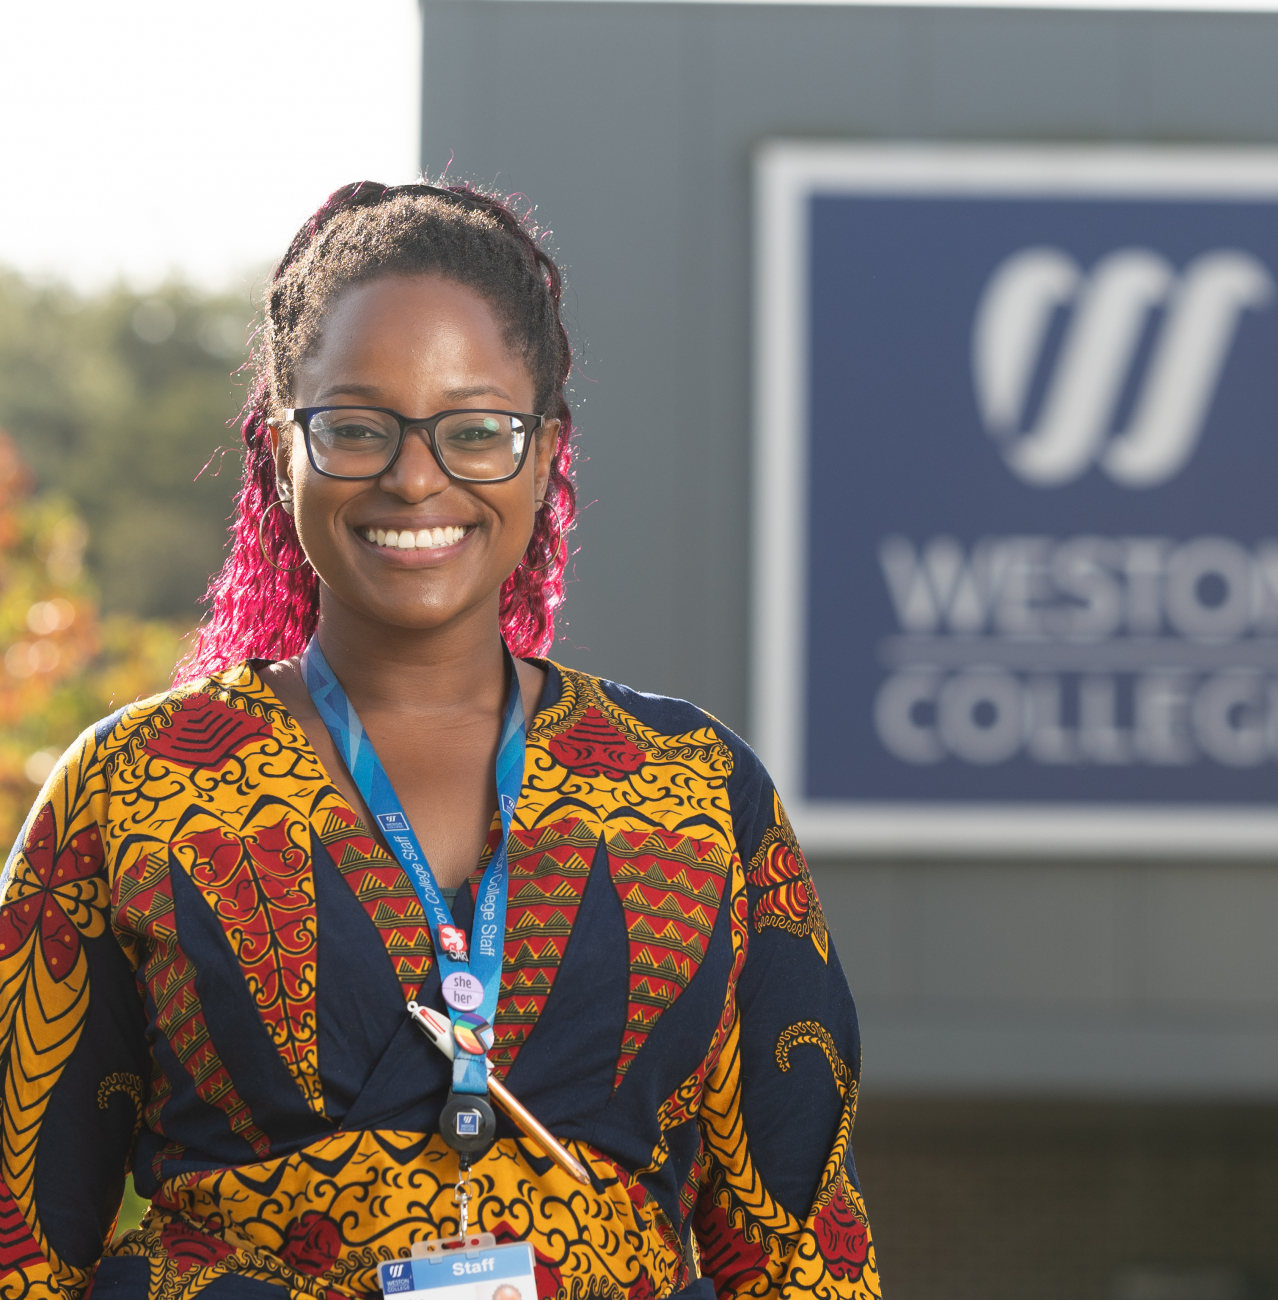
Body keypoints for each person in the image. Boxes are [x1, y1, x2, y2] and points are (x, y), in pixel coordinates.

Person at [0, 182, 879, 1300]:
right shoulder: (137, 786)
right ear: (279, 449)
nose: (416, 476)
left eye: (475, 429)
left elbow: (802, 1245)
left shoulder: (698, 791)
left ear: (544, 449)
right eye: (356, 427)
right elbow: (16, 1238)